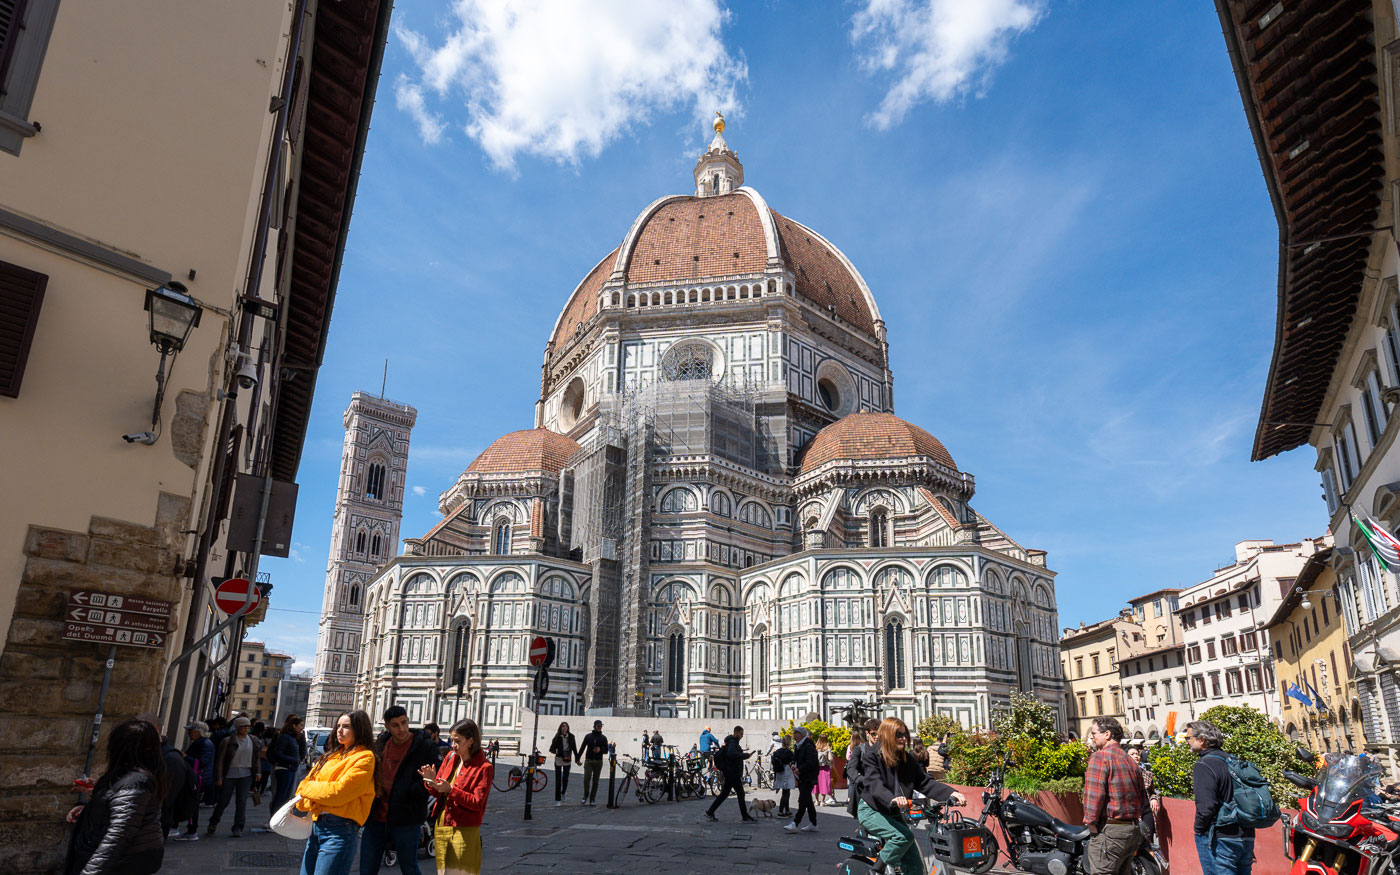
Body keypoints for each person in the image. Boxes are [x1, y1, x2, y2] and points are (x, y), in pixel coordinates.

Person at [853, 717, 963, 875]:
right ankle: (876, 871)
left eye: (904, 735)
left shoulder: (907, 759)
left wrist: (951, 793)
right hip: (872, 810)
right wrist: (891, 798)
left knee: (914, 865)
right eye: (898, 734)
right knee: (903, 837)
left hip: (894, 812)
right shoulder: (873, 756)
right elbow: (874, 782)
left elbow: (924, 782)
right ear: (887, 735)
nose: (903, 738)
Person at [63, 718, 166, 875]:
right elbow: (120, 811)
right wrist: (88, 810)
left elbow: (119, 834)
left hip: (123, 862)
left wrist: (90, 872)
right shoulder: (130, 776)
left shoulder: (136, 781)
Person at [296, 710, 377, 875]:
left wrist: (309, 790)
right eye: (338, 726)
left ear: (359, 729)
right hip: (316, 825)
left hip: (340, 830)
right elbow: (302, 788)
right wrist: (312, 793)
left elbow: (338, 793)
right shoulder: (331, 755)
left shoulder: (365, 758)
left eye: (346, 726)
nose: (339, 730)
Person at [360, 706, 439, 875]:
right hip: (376, 818)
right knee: (366, 868)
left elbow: (431, 780)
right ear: (387, 726)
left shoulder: (425, 746)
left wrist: (404, 793)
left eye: (404, 723)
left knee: (409, 868)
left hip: (407, 818)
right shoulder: (381, 744)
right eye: (395, 725)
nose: (401, 729)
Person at [420, 718, 492, 875]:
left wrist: (451, 790)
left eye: (458, 741)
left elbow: (477, 802)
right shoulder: (451, 758)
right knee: (443, 872)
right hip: (442, 826)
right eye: (452, 740)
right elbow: (438, 791)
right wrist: (431, 781)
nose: (453, 745)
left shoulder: (484, 767)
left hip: (463, 829)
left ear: (471, 741)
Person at [1187, 720, 1255, 875]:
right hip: (1246, 833)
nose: (1187, 742)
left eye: (1189, 737)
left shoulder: (1204, 764)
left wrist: (1198, 830)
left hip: (1220, 836)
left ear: (1202, 740)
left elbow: (1206, 807)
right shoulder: (1233, 760)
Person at [1083, 716, 1145, 875]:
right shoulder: (1129, 760)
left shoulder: (1100, 757)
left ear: (1107, 734)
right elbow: (1142, 797)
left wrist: (1090, 822)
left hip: (1110, 829)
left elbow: (1094, 795)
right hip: (1131, 829)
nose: (1092, 736)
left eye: (1094, 733)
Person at [208, 715, 261, 837]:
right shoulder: (228, 741)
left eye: (248, 726)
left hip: (246, 775)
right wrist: (219, 777)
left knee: (241, 801)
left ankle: (238, 827)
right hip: (230, 775)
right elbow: (220, 760)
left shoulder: (253, 740)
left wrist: (258, 772)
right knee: (223, 801)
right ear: (237, 727)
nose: (246, 728)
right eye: (243, 726)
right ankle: (213, 822)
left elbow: (256, 757)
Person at [704, 725, 757, 823]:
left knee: (725, 793)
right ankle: (745, 816)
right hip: (732, 772)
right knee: (740, 793)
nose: (741, 736)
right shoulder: (732, 742)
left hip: (730, 772)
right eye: (740, 734)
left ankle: (710, 811)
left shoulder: (731, 742)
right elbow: (731, 754)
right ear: (736, 733)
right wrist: (745, 755)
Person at [180, 720, 215, 839]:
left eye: (190, 731)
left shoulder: (205, 744)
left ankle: (191, 830)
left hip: (199, 778)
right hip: (197, 777)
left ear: (197, 732)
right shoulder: (200, 742)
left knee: (192, 804)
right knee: (191, 803)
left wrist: (186, 757)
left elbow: (201, 763)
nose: (188, 734)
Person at [269, 715, 306, 814]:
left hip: (290, 769)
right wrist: (293, 760)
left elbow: (302, 751)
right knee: (281, 796)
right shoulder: (285, 736)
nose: (302, 728)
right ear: (294, 726)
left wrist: (296, 760)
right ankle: (274, 819)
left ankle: (280, 819)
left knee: (286, 796)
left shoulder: (294, 737)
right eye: (301, 725)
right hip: (284, 769)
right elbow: (277, 753)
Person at [785, 726, 820, 832]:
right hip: (801, 776)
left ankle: (795, 823)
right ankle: (813, 823)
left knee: (803, 800)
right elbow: (795, 758)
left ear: (801, 734)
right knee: (808, 800)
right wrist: (792, 764)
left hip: (808, 777)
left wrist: (800, 768)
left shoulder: (808, 746)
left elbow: (812, 762)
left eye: (796, 732)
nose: (794, 734)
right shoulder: (798, 745)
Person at [1126, 746, 1161, 848]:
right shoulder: (1123, 774)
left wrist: (1154, 798)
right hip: (1132, 812)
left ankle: (1149, 863)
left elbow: (1152, 792)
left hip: (1146, 811)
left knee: (1148, 840)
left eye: (1137, 754)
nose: (1136, 756)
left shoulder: (1147, 774)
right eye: (1132, 754)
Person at [846, 719, 880, 819]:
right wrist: (860, 779)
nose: (877, 737)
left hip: (880, 790)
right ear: (867, 733)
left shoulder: (885, 749)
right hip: (863, 790)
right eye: (874, 734)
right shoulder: (859, 749)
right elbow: (851, 767)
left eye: (879, 734)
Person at [577, 720, 608, 805]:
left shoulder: (604, 738)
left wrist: (600, 750)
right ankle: (586, 795)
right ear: (594, 726)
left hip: (598, 761)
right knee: (586, 778)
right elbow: (582, 747)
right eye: (598, 726)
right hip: (589, 760)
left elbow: (606, 750)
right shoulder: (588, 736)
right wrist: (578, 758)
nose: (600, 727)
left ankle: (592, 798)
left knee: (596, 780)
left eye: (601, 726)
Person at [548, 722, 578, 808]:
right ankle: (558, 800)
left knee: (565, 778)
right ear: (560, 728)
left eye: (566, 726)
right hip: (558, 759)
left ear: (568, 728)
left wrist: (577, 759)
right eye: (563, 726)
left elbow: (574, 748)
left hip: (567, 759)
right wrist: (558, 751)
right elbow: (551, 749)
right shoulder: (557, 737)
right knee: (558, 780)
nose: (564, 728)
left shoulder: (571, 737)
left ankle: (563, 792)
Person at [771, 734, 796, 816]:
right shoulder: (789, 752)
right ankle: (780, 811)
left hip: (779, 772)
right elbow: (793, 762)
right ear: (788, 742)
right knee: (786, 792)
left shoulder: (777, 752)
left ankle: (787, 810)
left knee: (786, 792)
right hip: (786, 772)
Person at [815, 734, 833, 806]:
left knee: (816, 785)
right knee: (824, 784)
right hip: (825, 768)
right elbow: (830, 759)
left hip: (816, 768)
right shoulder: (827, 747)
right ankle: (822, 801)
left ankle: (816, 801)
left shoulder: (816, 747)